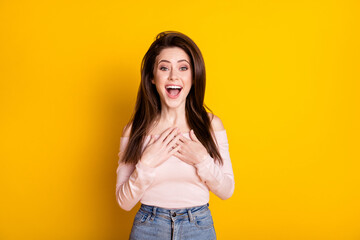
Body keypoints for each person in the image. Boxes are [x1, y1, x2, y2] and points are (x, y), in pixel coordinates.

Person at [115, 31, 235, 240]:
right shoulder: (135, 130)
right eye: (164, 68)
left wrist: (201, 160)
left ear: (194, 75)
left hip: (198, 226)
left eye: (183, 67)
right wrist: (146, 164)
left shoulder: (211, 125)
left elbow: (227, 190)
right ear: (152, 77)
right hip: (148, 227)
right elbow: (124, 202)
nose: (173, 76)